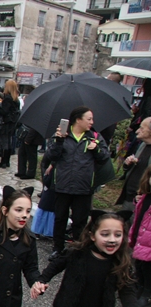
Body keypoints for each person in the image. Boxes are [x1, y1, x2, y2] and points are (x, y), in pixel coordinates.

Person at [48, 106, 110, 261]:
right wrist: (59, 140)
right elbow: (51, 156)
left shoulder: (94, 137)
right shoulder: (62, 134)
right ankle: (57, 248)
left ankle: (77, 249)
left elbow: (104, 157)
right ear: (78, 120)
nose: (92, 122)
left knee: (80, 222)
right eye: (89, 119)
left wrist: (96, 149)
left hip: (83, 187)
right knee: (60, 219)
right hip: (63, 185)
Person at [116, 117, 151, 211]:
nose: (137, 131)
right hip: (129, 196)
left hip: (142, 201)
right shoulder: (143, 145)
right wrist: (128, 164)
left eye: (142, 128)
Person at [129, 165, 151, 307]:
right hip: (141, 236)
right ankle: (139, 286)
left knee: (148, 268)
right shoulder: (146, 196)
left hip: (149, 242)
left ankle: (147, 293)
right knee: (139, 265)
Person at [0, 80, 20, 168]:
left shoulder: (7, 98)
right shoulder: (16, 99)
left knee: (5, 142)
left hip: (6, 123)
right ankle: (7, 161)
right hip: (12, 123)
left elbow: (4, 111)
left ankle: (4, 161)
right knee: (9, 141)